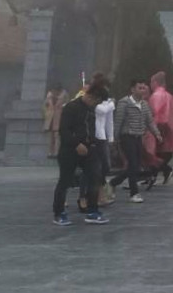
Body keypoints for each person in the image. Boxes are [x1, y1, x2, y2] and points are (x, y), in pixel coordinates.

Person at [52, 79, 109, 225]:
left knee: (95, 177)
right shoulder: (71, 107)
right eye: (96, 101)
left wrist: (93, 143)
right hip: (69, 150)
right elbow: (64, 130)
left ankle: (92, 211)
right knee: (65, 181)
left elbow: (91, 129)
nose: (96, 105)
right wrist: (76, 144)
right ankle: (59, 213)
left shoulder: (91, 110)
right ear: (91, 96)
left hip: (88, 149)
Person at [109, 79, 161, 203]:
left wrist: (157, 134)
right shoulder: (124, 103)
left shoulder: (144, 104)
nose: (142, 90)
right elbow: (118, 121)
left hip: (138, 137)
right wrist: (114, 139)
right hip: (127, 136)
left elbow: (150, 121)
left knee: (136, 166)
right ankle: (134, 193)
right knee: (133, 163)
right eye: (139, 88)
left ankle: (113, 182)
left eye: (143, 88)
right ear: (132, 89)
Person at [78, 74, 114, 211]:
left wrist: (111, 138)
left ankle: (98, 192)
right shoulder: (92, 99)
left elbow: (109, 121)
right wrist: (110, 104)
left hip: (102, 136)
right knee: (89, 168)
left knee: (105, 166)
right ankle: (84, 196)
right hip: (91, 136)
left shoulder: (107, 101)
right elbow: (100, 109)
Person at [144, 71, 173, 185]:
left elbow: (154, 113)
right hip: (168, 128)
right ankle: (153, 175)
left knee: (151, 153)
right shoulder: (170, 96)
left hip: (158, 128)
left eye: (151, 82)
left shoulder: (156, 96)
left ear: (155, 82)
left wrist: (153, 130)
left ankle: (160, 172)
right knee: (162, 153)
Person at [43, 82, 67, 158]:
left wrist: (63, 109)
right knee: (51, 137)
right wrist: (46, 112)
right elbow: (45, 105)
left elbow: (67, 104)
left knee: (57, 136)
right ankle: (50, 152)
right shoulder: (49, 95)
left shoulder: (64, 94)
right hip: (50, 118)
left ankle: (57, 153)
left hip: (59, 117)